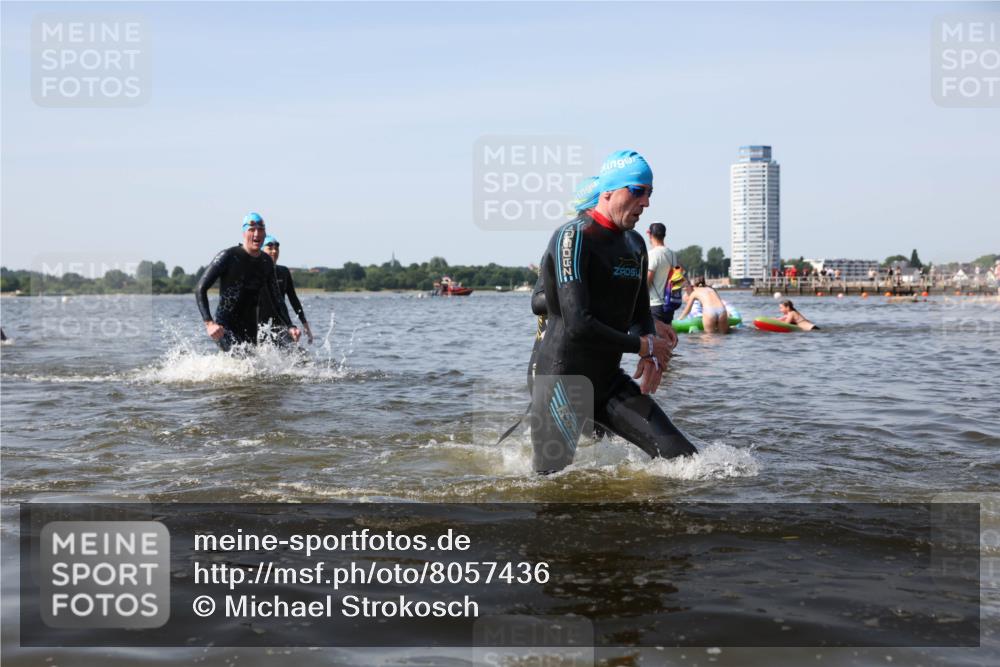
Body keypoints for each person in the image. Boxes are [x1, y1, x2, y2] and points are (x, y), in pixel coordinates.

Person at [528, 150, 697, 474]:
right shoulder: (572, 237)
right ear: (608, 191)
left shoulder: (634, 244)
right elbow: (578, 324)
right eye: (637, 191)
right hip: (563, 382)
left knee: (688, 461)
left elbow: (638, 311)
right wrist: (643, 346)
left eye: (649, 193)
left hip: (608, 382)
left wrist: (651, 349)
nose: (645, 202)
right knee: (554, 489)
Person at [196, 212, 300, 352]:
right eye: (252, 229)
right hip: (224, 327)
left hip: (251, 327)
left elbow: (277, 300)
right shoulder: (228, 256)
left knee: (253, 367)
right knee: (243, 361)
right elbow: (200, 288)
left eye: (261, 229)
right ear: (244, 233)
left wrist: (290, 326)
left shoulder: (266, 262)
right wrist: (209, 323)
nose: (257, 234)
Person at [259, 235, 314, 345]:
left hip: (281, 322)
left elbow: (293, 299)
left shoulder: (283, 272)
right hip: (260, 324)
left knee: (297, 356)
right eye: (270, 248)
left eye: (276, 248)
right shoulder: (255, 272)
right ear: (261, 250)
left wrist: (305, 325)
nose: (274, 251)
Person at [646, 222, 684, 345]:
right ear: (664, 235)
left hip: (655, 304)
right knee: (667, 338)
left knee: (656, 342)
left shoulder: (653, 254)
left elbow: (648, 280)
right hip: (669, 304)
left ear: (649, 234)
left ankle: (662, 363)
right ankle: (669, 364)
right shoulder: (672, 254)